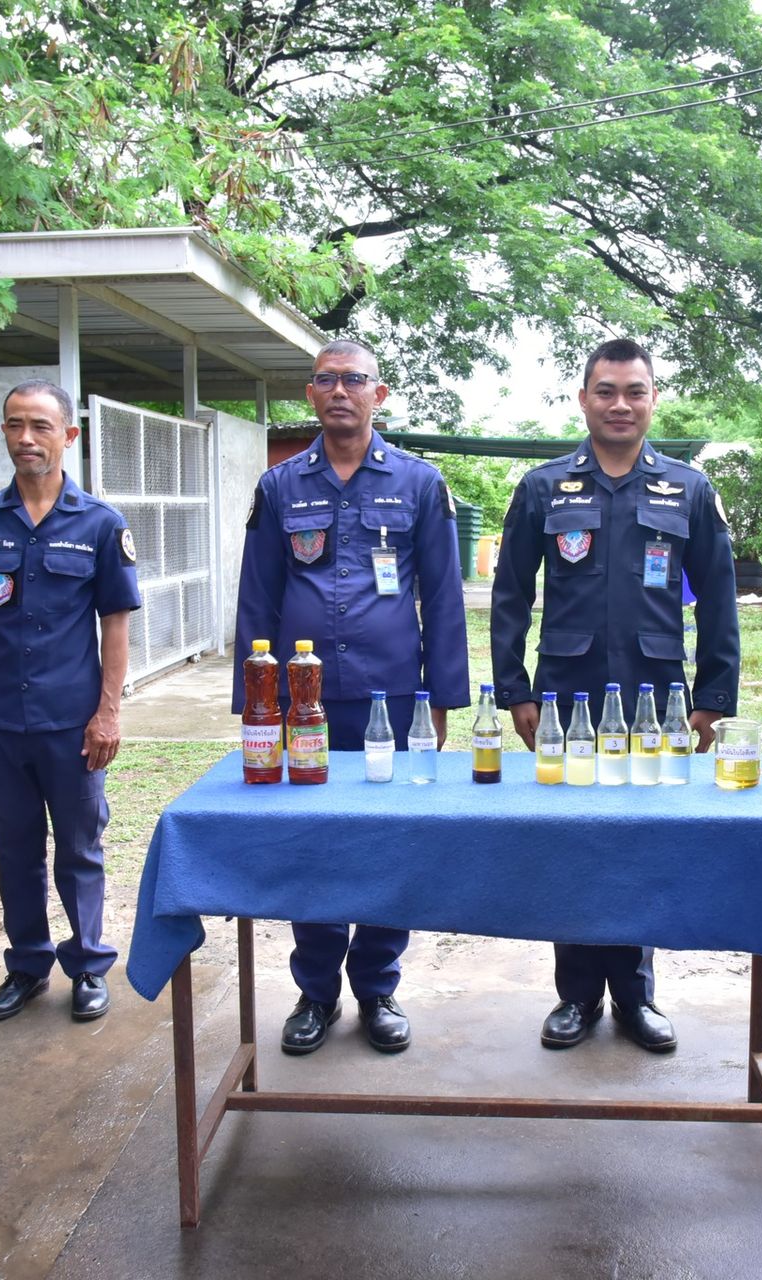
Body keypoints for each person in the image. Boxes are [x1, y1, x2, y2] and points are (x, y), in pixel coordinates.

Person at [489, 338, 739, 1054]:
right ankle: (575, 995)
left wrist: (712, 698)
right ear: (584, 399)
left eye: (635, 391)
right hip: (564, 699)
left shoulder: (688, 489)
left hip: (658, 700)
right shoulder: (544, 487)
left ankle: (635, 995)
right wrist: (515, 691)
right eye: (606, 391)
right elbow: (511, 595)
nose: (620, 404)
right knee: (571, 838)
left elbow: (718, 600)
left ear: (654, 398)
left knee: (640, 839)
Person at [233, 339, 470, 1056]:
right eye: (327, 379)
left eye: (355, 379)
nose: (341, 390)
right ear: (310, 393)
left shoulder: (419, 482)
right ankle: (315, 992)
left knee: (387, 837)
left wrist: (439, 697)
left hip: (389, 695)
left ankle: (377, 987)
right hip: (301, 700)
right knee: (311, 836)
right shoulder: (280, 486)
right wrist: (256, 703)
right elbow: (257, 598)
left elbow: (443, 597)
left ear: (379, 393)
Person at [0, 380, 141, 1023]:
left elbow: (116, 623)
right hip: (2, 720)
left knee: (80, 849)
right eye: (14, 425)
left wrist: (108, 712)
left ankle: (88, 966)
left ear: (69, 435)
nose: (25, 438)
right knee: (13, 848)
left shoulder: (100, 524)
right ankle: (27, 967)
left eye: (40, 426)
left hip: (71, 723)